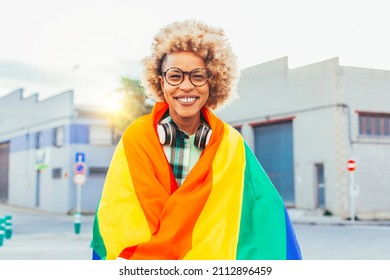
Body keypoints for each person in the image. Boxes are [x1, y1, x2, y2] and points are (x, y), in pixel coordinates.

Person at [92, 19, 301, 260]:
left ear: (212, 83)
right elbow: (117, 213)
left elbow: (262, 208)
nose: (186, 86)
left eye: (198, 76)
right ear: (161, 82)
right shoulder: (136, 139)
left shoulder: (230, 144)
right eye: (175, 76)